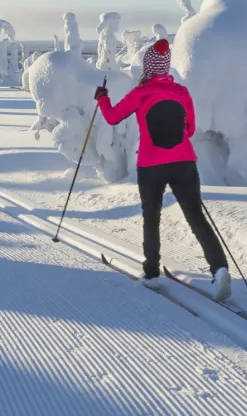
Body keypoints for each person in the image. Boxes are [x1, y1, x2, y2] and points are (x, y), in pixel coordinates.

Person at [94, 38, 231, 299]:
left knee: (152, 218)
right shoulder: (182, 92)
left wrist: (103, 98)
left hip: (151, 164)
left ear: (147, 68)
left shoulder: (140, 94)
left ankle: (152, 273)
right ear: (166, 68)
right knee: (196, 217)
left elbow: (112, 117)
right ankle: (220, 270)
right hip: (184, 163)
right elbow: (189, 130)